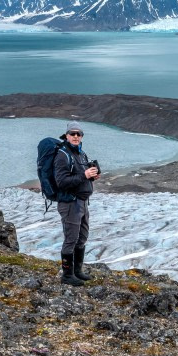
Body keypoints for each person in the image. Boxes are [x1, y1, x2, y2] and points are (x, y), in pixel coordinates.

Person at [53, 121, 100, 285]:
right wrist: (85, 175)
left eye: (78, 134)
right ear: (66, 135)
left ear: (81, 136)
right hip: (70, 203)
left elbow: (81, 176)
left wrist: (92, 176)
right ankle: (67, 276)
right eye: (72, 133)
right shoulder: (62, 155)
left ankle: (77, 271)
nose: (75, 136)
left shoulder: (81, 154)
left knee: (82, 238)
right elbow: (61, 182)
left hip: (82, 202)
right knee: (71, 239)